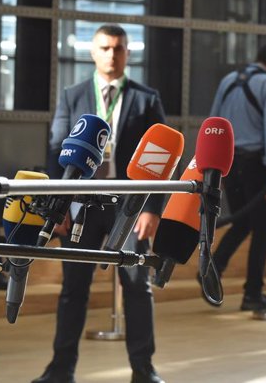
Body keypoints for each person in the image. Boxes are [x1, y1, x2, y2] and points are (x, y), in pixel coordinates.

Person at [33, 24, 167, 383]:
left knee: (138, 287)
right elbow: (56, 153)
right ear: (93, 52)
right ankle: (60, 369)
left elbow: (162, 157)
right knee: (73, 290)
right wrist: (56, 207)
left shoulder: (146, 98)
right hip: (80, 207)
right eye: (105, 47)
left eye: (119, 48)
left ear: (128, 53)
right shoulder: (72, 95)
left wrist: (153, 207)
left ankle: (144, 370)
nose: (112, 54)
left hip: (129, 208)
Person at [209, 42, 266, 311]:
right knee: (262, 229)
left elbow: (214, 122)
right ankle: (252, 293)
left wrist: (212, 166)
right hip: (258, 165)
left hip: (228, 162)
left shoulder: (229, 80)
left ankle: (211, 269)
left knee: (242, 222)